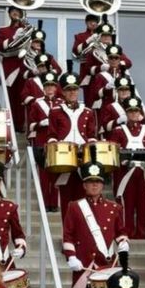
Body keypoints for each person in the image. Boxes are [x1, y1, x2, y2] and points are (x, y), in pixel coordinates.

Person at [62, 160, 129, 288]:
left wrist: (123, 244)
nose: (94, 185)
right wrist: (71, 257)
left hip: (106, 266)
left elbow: (121, 232)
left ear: (102, 184)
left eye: (98, 181)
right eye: (91, 182)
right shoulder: (75, 207)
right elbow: (67, 235)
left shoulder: (114, 207)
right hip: (84, 264)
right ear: (84, 185)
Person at [46, 65, 99, 215]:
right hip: (65, 160)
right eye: (69, 90)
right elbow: (52, 135)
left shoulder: (88, 112)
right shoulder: (55, 111)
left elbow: (91, 134)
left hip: (83, 160)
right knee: (67, 202)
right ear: (62, 92)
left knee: (84, 201)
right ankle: (67, 237)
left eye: (75, 89)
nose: (72, 93)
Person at [107, 96, 145, 239]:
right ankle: (126, 232)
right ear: (126, 113)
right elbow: (113, 152)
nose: (134, 114)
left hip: (142, 173)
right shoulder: (118, 130)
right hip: (125, 173)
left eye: (136, 111)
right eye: (131, 111)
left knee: (142, 204)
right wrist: (125, 162)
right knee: (126, 204)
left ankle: (141, 233)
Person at [26, 69, 61, 212]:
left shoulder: (62, 103)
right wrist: (41, 123)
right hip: (42, 141)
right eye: (47, 86)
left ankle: (54, 203)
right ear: (44, 88)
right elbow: (31, 125)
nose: (50, 89)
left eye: (52, 86)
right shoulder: (36, 104)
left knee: (56, 173)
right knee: (44, 175)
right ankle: (45, 203)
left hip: (58, 142)